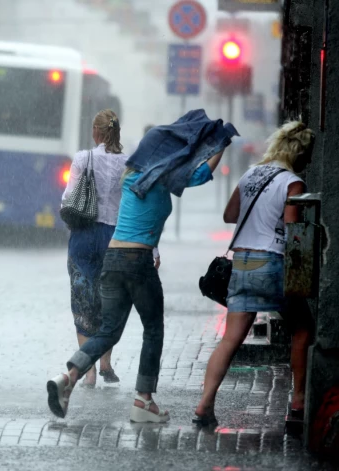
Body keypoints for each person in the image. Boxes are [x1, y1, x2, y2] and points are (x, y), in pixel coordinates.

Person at [48, 109, 237, 422]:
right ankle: (143, 401)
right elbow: (202, 173)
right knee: (153, 329)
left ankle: (68, 377)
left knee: (108, 330)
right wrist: (221, 145)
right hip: (137, 261)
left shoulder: (132, 173)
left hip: (113, 259)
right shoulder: (162, 177)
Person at [194, 121, 315, 425]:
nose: (308, 161)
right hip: (271, 263)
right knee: (302, 329)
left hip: (242, 264)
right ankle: (298, 405)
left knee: (230, 340)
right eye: (307, 154)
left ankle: (204, 406)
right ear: (298, 153)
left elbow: (229, 215)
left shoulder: (251, 174)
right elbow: (292, 232)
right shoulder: (292, 182)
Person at [63, 109, 154, 387]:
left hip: (83, 234)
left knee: (82, 299)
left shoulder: (82, 158)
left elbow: (67, 197)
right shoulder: (130, 164)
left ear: (96, 132)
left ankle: (87, 369)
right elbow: (139, 207)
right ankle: (105, 362)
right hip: (116, 238)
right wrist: (153, 249)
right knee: (110, 301)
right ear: (117, 133)